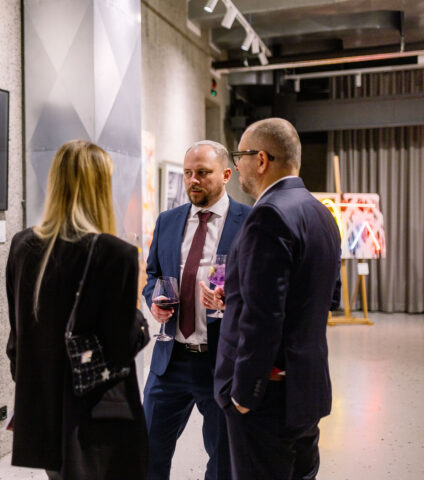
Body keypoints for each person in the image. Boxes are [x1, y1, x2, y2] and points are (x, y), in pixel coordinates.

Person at [6, 140, 149, 479]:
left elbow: (17, 340)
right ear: (101, 186)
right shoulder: (115, 254)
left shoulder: (23, 246)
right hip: (100, 417)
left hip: (45, 415)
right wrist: (136, 298)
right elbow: (121, 347)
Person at [210, 118, 341, 480]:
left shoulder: (268, 215)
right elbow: (327, 297)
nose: (237, 166)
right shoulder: (321, 213)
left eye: (239, 156)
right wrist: (237, 296)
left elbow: (263, 318)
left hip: (266, 397)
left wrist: (244, 395)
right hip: (306, 389)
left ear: (261, 159)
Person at [142, 140, 251, 480]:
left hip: (219, 360)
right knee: (147, 452)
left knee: (222, 459)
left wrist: (231, 301)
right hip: (170, 360)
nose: (194, 180)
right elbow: (153, 276)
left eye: (203, 173)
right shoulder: (168, 221)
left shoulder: (249, 221)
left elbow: (261, 287)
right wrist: (154, 301)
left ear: (227, 175)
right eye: (189, 173)